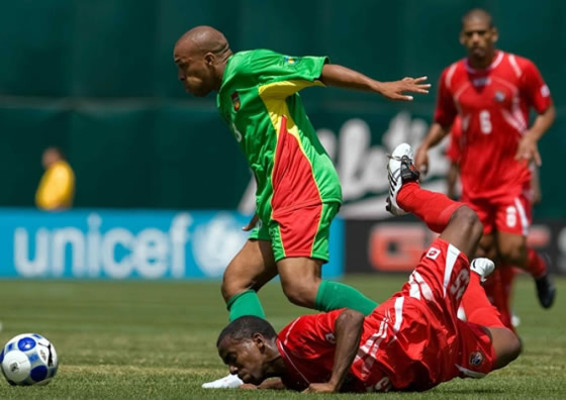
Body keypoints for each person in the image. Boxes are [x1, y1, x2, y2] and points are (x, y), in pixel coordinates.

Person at [173, 26, 430, 388]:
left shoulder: (249, 66)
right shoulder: (224, 97)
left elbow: (317, 70)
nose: (182, 77)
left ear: (210, 59)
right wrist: (263, 200)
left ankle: (399, 331)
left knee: (301, 288)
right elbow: (267, 151)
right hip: (279, 198)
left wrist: (377, 86)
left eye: (184, 67)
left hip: (304, 189)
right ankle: (257, 367)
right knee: (237, 282)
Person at [216, 143, 521, 393]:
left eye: (233, 358)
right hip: (428, 365)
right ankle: (469, 282)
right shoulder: (293, 372)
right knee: (510, 343)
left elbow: (350, 319)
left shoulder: (294, 337)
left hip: (411, 323)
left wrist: (334, 383)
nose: (232, 368)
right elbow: (297, 376)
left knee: (467, 220)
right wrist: (267, 387)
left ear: (258, 342)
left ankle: (404, 193)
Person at [414, 9, 556, 324]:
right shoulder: (452, 77)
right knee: (486, 256)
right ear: (463, 38)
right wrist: (424, 147)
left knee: (513, 249)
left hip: (512, 179)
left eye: (482, 33)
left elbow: (546, 111)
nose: (476, 39)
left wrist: (532, 136)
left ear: (493, 34)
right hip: (475, 183)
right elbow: (443, 120)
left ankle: (540, 269)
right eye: (470, 35)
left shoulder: (520, 69)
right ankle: (501, 324)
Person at [35, 146, 75, 211]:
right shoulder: (52, 171)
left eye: (47, 156)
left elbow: (63, 190)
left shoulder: (61, 170)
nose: (44, 159)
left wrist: (57, 204)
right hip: (48, 211)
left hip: (57, 210)